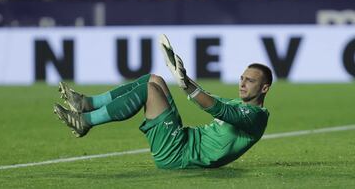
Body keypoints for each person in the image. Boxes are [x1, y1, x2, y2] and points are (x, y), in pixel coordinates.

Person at [53, 34, 272, 169]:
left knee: (149, 91)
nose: (242, 84)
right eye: (242, 78)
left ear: (264, 88)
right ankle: (87, 103)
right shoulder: (239, 104)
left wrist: (186, 84)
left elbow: (216, 107)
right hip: (183, 139)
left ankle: (86, 121)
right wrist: (183, 78)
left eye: (250, 81)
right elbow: (207, 97)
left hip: (179, 155)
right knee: (153, 79)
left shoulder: (255, 118)